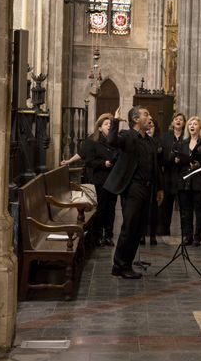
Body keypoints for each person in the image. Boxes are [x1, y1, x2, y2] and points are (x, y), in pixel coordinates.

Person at [104, 106, 164, 279]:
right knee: (130, 227)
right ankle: (120, 265)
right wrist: (115, 121)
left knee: (138, 229)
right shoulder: (127, 135)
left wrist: (160, 188)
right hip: (132, 187)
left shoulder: (150, 141)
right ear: (136, 119)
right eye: (146, 114)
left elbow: (155, 167)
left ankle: (126, 264)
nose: (150, 117)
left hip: (147, 187)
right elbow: (112, 141)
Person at [70, 113, 119, 247]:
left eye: (110, 124)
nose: (109, 126)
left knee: (111, 209)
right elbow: (89, 161)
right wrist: (104, 164)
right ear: (100, 128)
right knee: (102, 208)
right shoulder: (93, 142)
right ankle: (98, 235)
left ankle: (109, 236)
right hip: (100, 179)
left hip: (114, 180)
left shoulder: (115, 141)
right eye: (106, 124)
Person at [179, 116, 201, 247]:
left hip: (199, 181)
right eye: (190, 124)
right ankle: (187, 236)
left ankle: (197, 237)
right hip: (185, 181)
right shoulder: (183, 143)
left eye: (195, 124)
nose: (192, 126)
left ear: (200, 127)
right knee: (186, 211)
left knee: (199, 211)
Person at [158, 113, 187, 236]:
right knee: (167, 205)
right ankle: (165, 229)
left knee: (184, 205)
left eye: (181, 119)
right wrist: (170, 160)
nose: (178, 121)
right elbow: (160, 157)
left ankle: (185, 232)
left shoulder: (186, 137)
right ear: (172, 122)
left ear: (184, 123)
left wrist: (181, 160)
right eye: (176, 119)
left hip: (182, 175)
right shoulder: (165, 137)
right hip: (168, 176)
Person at [140, 116, 162, 246]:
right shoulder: (141, 141)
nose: (149, 129)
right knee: (142, 209)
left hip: (155, 178)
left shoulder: (158, 142)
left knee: (154, 209)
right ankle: (142, 234)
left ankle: (153, 235)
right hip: (143, 179)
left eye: (152, 126)